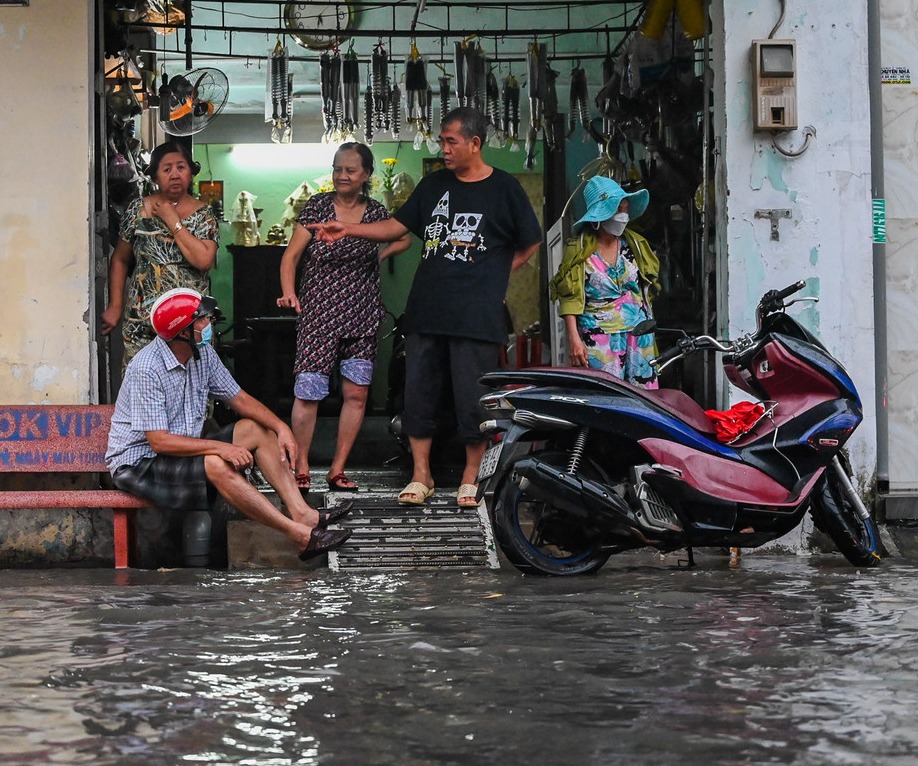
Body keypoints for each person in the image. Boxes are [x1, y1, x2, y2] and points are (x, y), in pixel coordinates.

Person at [311, 107, 541, 508]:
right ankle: (422, 475)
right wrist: (348, 228)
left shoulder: (504, 188)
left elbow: (530, 242)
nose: (444, 148)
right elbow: (395, 227)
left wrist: (496, 280)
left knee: (474, 397)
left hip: (476, 316)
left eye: (451, 141)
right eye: (441, 141)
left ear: (474, 143)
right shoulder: (434, 184)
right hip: (427, 310)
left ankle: (471, 476)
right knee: (419, 395)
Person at [106, 288, 352, 562]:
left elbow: (240, 399)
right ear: (182, 331)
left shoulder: (203, 354)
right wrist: (221, 449)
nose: (208, 325)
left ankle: (302, 513)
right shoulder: (147, 369)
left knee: (256, 428)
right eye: (200, 321)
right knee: (215, 462)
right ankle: (299, 536)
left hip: (178, 454)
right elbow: (159, 442)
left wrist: (281, 428)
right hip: (140, 464)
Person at [276, 142, 410, 492]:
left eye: (350, 170)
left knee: (357, 394)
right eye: (337, 168)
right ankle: (302, 463)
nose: (342, 175)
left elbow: (404, 237)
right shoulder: (318, 206)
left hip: (362, 313)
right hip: (318, 311)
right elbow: (291, 256)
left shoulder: (377, 212)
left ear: (366, 175)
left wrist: (380, 257)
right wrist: (289, 290)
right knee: (308, 391)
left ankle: (338, 469)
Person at [102, 142, 220, 365]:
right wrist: (115, 306)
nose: (175, 174)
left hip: (190, 324)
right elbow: (120, 259)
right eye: (167, 169)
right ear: (154, 176)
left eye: (181, 167)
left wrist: (171, 219)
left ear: (190, 173)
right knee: (143, 389)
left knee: (190, 389)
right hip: (143, 323)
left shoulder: (204, 215)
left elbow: (204, 260)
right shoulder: (137, 211)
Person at [550, 175, 662, 388]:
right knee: (605, 398)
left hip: (638, 334)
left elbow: (647, 287)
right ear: (599, 216)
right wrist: (575, 339)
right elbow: (570, 297)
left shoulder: (635, 245)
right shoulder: (579, 251)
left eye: (625, 209)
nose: (623, 215)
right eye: (617, 209)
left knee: (646, 400)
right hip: (598, 337)